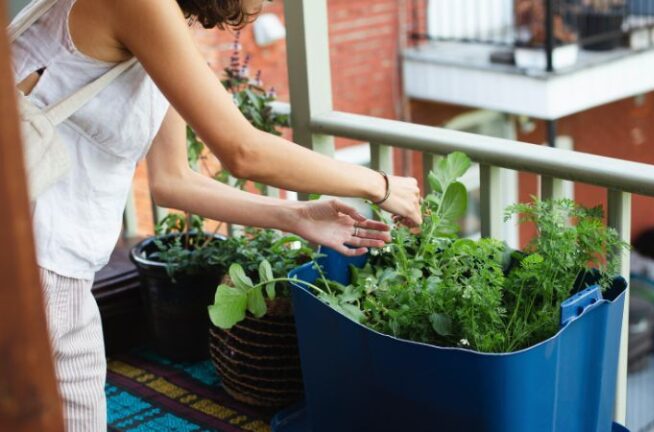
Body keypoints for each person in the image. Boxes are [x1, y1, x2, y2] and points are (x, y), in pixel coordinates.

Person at [11, 0, 422, 429]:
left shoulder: (163, 26)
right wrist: (380, 185)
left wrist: (298, 214)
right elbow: (243, 150)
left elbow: (174, 180)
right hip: (29, 260)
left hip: (57, 269)